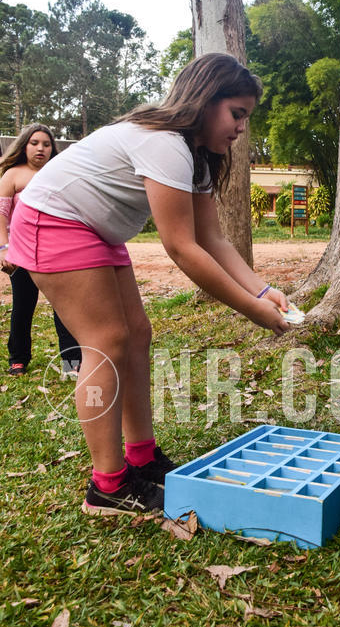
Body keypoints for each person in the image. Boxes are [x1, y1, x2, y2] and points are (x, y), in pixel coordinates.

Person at [5, 53, 290, 516]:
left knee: (137, 336)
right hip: (53, 220)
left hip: (95, 229)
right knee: (107, 341)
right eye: (236, 114)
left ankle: (141, 457)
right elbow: (182, 248)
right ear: (205, 100)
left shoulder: (194, 157)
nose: (241, 128)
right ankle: (108, 487)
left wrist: (262, 290)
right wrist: (249, 309)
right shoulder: (165, 144)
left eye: (246, 117)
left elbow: (212, 238)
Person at [0, 124, 81, 376]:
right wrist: (3, 248)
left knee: (64, 306)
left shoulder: (59, 173)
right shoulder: (12, 175)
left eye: (46, 144)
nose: (41, 149)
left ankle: (71, 362)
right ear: (24, 145)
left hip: (56, 252)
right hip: (21, 253)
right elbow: (1, 215)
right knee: (23, 307)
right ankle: (18, 359)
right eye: (35, 143)